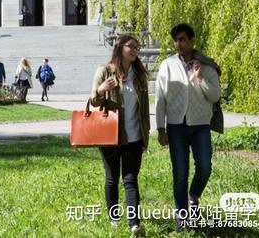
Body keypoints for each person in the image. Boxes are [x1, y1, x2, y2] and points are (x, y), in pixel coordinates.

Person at [155, 23, 221, 231]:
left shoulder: (207, 66)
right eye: (176, 40)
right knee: (180, 173)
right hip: (176, 126)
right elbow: (160, 99)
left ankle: (193, 196)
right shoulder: (167, 65)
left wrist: (200, 77)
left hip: (200, 125)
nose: (179, 44)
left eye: (183, 39)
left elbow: (215, 96)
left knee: (204, 167)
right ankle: (182, 217)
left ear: (192, 40)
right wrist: (160, 128)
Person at [90, 35, 150, 236]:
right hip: (111, 136)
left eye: (137, 47)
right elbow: (93, 102)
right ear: (119, 48)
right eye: (131, 46)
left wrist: (145, 135)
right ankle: (113, 219)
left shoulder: (139, 74)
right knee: (112, 178)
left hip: (134, 136)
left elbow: (144, 109)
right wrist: (101, 89)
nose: (134, 50)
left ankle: (134, 224)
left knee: (131, 179)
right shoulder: (105, 71)